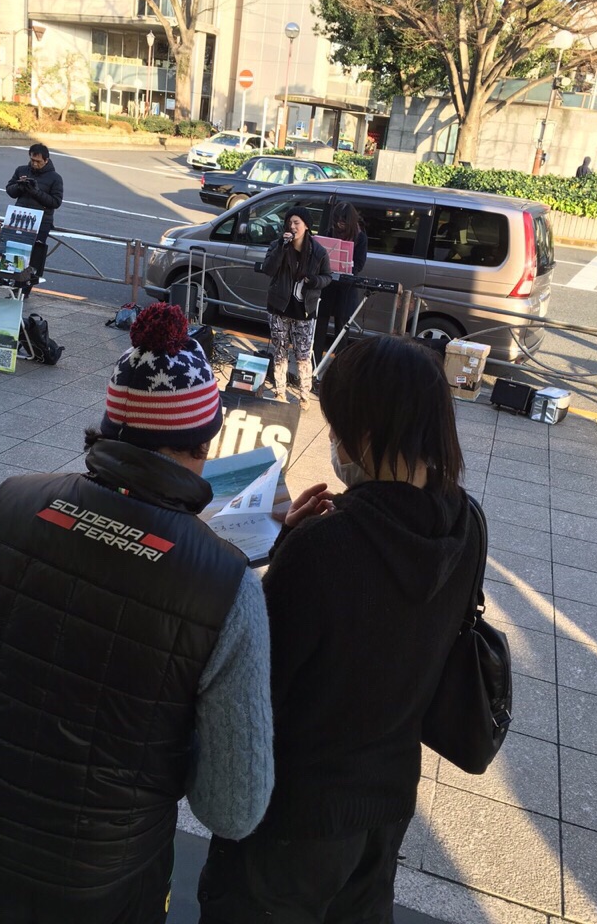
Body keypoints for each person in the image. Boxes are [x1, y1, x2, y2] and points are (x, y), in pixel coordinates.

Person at [0, 302, 274, 924]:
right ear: (205, 442)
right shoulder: (227, 585)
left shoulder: (6, 504)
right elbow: (233, 808)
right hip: (108, 883)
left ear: (109, 428)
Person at [198, 335, 480, 924]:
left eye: (338, 427)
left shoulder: (325, 546)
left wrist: (285, 549)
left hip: (296, 816)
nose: (333, 441)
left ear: (367, 436)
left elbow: (259, 681)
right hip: (388, 799)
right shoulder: (466, 524)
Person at [262, 205, 332, 411]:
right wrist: (281, 247)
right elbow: (268, 269)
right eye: (289, 223)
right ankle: (280, 392)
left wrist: (314, 281)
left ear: (306, 226)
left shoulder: (318, 252)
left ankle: (304, 395)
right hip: (279, 307)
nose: (292, 227)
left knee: (303, 355)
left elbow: (328, 277)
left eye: (296, 223)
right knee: (280, 352)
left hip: (304, 310)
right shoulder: (278, 245)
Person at [312, 201, 368, 370]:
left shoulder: (360, 237)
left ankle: (338, 370)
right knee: (319, 328)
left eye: (343, 221)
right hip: (327, 287)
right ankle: (314, 366)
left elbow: (359, 264)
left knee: (342, 331)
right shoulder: (329, 233)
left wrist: (347, 266)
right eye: (337, 220)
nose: (339, 224)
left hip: (346, 289)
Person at [5, 142, 64, 287]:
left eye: (38, 161)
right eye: (32, 160)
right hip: (19, 218)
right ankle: (14, 286)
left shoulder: (55, 178)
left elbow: (56, 202)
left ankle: (25, 289)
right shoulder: (21, 170)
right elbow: (10, 191)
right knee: (14, 253)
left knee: (33, 259)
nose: (34, 164)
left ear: (46, 160)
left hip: (41, 222)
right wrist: (20, 186)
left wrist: (36, 192)